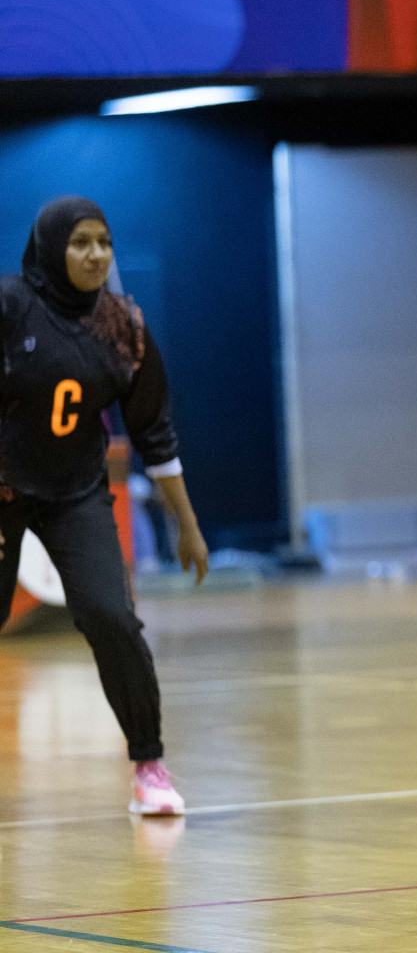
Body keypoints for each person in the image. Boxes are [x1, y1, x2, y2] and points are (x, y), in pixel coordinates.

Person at [1, 197, 209, 816]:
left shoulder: (124, 327)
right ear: (50, 250)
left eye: (104, 243)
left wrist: (188, 527)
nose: (95, 255)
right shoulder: (11, 306)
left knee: (112, 618)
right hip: (3, 489)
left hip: (74, 492)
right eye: (80, 243)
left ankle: (149, 766)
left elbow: (155, 434)